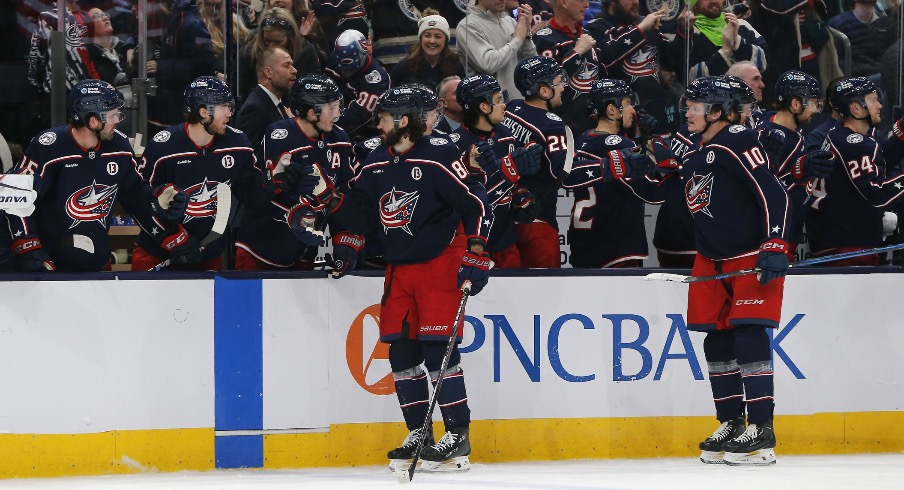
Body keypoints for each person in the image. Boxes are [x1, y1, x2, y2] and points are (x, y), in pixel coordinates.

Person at [293, 85, 494, 472]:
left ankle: (457, 434)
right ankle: (420, 431)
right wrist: (328, 197)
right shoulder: (376, 159)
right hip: (399, 268)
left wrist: (478, 251)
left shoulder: (439, 154)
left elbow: (475, 202)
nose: (378, 123)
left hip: (441, 262)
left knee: (438, 350)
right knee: (401, 352)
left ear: (404, 122)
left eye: (384, 117)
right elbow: (361, 212)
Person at [680, 75, 791, 466]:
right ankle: (731, 420)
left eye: (696, 106)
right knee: (716, 339)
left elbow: (773, 192)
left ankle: (761, 427)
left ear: (717, 111)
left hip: (749, 255)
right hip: (711, 259)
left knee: (748, 335)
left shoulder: (738, 139)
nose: (688, 112)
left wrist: (775, 243)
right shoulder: (698, 150)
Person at [5, 79, 187, 272]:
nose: (118, 120)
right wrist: (28, 247)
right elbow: (17, 197)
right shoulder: (49, 147)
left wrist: (158, 197)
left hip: (98, 264)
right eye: (113, 115)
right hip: (51, 265)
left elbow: (134, 194)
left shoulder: (120, 147)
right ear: (93, 120)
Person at [133, 76, 310, 271]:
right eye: (223, 107)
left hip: (206, 256)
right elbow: (140, 201)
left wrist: (273, 180)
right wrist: (174, 239)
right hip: (157, 255)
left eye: (230, 107)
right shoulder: (163, 147)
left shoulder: (237, 143)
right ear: (203, 112)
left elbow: (252, 196)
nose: (229, 114)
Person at [502, 55, 653, 267]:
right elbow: (567, 175)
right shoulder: (551, 124)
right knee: (543, 294)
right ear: (544, 91)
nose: (563, 86)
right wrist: (610, 166)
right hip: (537, 220)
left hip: (502, 219)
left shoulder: (510, 109)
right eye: (558, 82)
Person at [234, 74, 353, 270]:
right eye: (330, 107)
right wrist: (295, 196)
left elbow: (346, 192)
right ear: (311, 112)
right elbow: (267, 193)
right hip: (261, 247)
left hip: (304, 250)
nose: (337, 112)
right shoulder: (281, 136)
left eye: (336, 105)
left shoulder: (340, 138)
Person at [806, 77, 904, 266]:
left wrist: (899, 136)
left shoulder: (838, 134)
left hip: (835, 240)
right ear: (856, 108)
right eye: (873, 100)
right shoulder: (855, 144)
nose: (880, 105)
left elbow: (877, 162)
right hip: (849, 247)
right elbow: (877, 194)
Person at [566, 78, 662, 268]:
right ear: (611, 109)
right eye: (627, 103)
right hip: (616, 246)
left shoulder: (583, 138)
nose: (633, 109)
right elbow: (652, 192)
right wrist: (655, 151)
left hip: (585, 243)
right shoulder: (623, 146)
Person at [451, 74, 543, 268]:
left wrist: (520, 196)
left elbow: (513, 183)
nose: (504, 105)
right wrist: (506, 173)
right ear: (483, 107)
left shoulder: (506, 135)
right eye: (498, 100)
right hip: (472, 244)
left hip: (505, 242)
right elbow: (463, 202)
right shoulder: (455, 146)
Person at [532, 0, 664, 132]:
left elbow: (604, 71)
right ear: (564, 3)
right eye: (581, 0)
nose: (587, 5)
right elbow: (546, 83)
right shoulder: (545, 38)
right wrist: (576, 53)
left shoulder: (586, 34)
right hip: (562, 128)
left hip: (593, 126)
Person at [755, 70, 834, 251]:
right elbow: (760, 191)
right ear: (796, 103)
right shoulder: (771, 138)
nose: (816, 110)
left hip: (788, 232)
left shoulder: (782, 125)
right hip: (774, 239)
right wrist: (797, 174)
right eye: (814, 103)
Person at [147, 0, 216, 131]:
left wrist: (162, 67)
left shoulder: (191, 24)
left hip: (187, 107)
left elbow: (204, 63)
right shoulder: (174, 20)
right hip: (171, 107)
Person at [455, 0, 539, 103]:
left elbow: (531, 63)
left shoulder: (510, 21)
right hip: (488, 108)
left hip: (519, 103)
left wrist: (526, 37)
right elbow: (487, 64)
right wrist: (517, 40)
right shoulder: (467, 26)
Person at [239, 6, 320, 101]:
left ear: (290, 38)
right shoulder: (248, 54)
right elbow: (241, 92)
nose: (271, 46)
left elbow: (314, 89)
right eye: (267, 40)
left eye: (278, 42)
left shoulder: (305, 52)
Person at [325, 29, 391, 141]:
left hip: (365, 134)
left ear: (363, 54)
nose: (346, 69)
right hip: (330, 117)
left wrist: (323, 123)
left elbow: (356, 118)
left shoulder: (378, 81)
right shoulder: (334, 59)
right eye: (342, 63)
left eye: (348, 63)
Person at [682, 0, 769, 81]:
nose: (714, 1)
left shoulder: (741, 25)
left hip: (748, 94)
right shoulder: (688, 32)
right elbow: (690, 77)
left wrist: (737, 41)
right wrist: (725, 51)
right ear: (695, 5)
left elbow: (765, 61)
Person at [234, 46, 298, 148]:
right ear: (268, 72)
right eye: (287, 65)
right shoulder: (254, 109)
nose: (294, 70)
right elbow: (250, 156)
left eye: (292, 65)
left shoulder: (281, 102)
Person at [390, 10, 466, 88]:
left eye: (438, 37)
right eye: (427, 36)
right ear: (421, 38)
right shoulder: (404, 67)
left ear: (445, 40)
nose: (432, 41)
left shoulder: (455, 66)